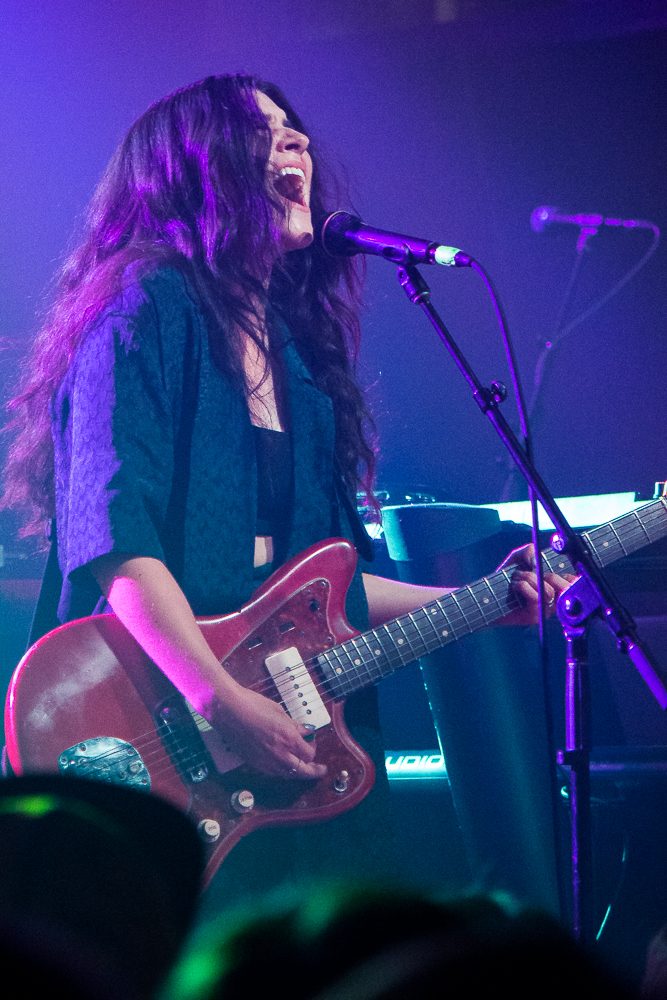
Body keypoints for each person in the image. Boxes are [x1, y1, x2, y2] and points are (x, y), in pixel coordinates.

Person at [2, 74, 571, 904]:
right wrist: (219, 697)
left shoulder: (299, 358)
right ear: (194, 168)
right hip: (155, 711)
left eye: (294, 130)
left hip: (292, 739)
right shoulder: (142, 307)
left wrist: (485, 599)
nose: (297, 142)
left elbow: (326, 579)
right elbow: (113, 536)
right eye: (263, 133)